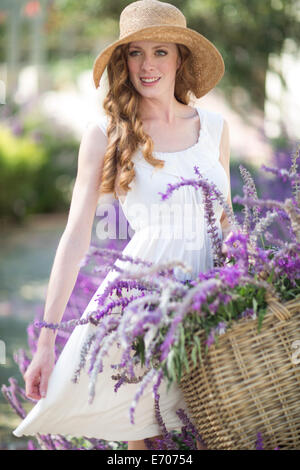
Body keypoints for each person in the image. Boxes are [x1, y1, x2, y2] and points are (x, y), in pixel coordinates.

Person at [12, 0, 234, 450]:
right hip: (142, 311)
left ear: (180, 58)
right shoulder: (106, 133)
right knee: (145, 441)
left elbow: (227, 223)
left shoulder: (214, 128)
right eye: (135, 53)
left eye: (160, 52)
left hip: (213, 303)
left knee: (218, 432)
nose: (146, 65)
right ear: (123, 61)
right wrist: (47, 339)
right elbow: (75, 237)